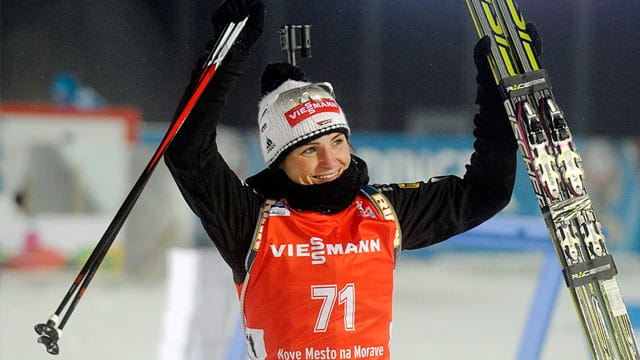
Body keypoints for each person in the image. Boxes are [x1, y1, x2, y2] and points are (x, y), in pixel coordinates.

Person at [165, 0, 520, 358]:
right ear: (279, 162)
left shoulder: (381, 212)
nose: (329, 161)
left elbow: (486, 191)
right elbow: (188, 153)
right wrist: (228, 51)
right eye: (308, 150)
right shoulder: (251, 222)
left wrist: (497, 90)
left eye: (337, 142)